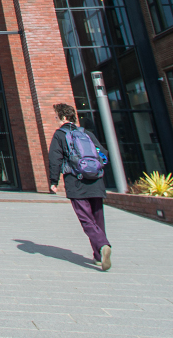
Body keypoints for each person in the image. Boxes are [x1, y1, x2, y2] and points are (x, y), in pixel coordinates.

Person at [46, 104, 111, 271]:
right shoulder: (86, 133)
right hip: (95, 180)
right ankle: (98, 256)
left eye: (57, 117)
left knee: (86, 218)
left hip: (76, 181)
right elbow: (103, 152)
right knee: (98, 217)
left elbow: (55, 159)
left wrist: (54, 181)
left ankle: (102, 245)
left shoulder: (60, 134)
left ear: (62, 118)